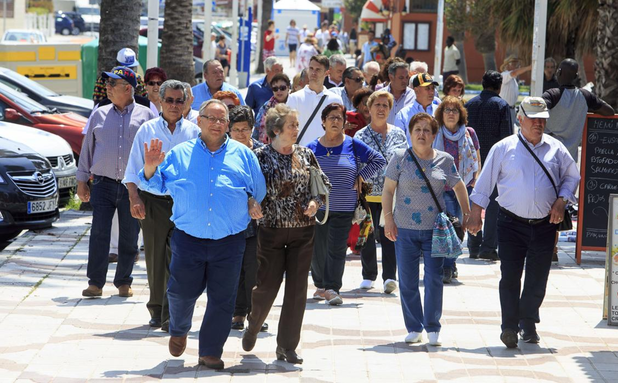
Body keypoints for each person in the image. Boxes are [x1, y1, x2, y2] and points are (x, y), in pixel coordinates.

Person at [139, 99, 266, 369]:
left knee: (223, 299)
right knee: (179, 293)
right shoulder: (180, 153)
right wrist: (150, 166)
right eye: (212, 118)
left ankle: (210, 351)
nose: (218, 123)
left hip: (230, 241)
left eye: (223, 120)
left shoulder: (244, 155)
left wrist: (252, 202)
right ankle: (179, 328)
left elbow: (258, 190)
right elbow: (155, 183)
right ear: (199, 121)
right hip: (188, 238)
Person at [467, 97, 580, 348]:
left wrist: (562, 201)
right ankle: (508, 327)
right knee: (510, 276)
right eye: (533, 118)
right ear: (520, 118)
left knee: (538, 278)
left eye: (542, 120)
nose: (539, 124)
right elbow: (485, 183)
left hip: (544, 225)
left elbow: (572, 177)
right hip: (510, 223)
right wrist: (476, 213)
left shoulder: (556, 148)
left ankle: (527, 321)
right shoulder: (503, 148)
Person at [242, 103, 331, 365]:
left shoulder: (306, 154)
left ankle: (287, 347)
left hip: (303, 231)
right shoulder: (259, 156)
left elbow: (321, 184)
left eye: (296, 124)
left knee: (296, 291)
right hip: (271, 230)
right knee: (267, 286)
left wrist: (315, 202)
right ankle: (254, 325)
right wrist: (251, 203)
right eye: (291, 125)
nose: (296, 129)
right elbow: (246, 188)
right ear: (276, 129)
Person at [382, 113, 470, 346]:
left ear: (434, 135)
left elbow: (459, 186)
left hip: (435, 230)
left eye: (426, 131)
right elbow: (388, 190)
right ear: (410, 134)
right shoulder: (399, 157)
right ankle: (414, 327)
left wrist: (468, 214)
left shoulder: (445, 160)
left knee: (433, 278)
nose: (421, 134)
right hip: (404, 229)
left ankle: (432, 327)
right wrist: (388, 219)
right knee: (408, 281)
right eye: (417, 130)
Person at [123, 80, 200, 331]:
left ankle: (172, 313)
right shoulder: (147, 130)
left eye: (180, 100)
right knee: (156, 258)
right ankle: (157, 309)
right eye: (170, 100)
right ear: (160, 101)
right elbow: (133, 170)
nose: (175, 105)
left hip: (184, 203)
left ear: (187, 102)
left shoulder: (195, 132)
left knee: (180, 258)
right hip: (153, 203)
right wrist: (134, 199)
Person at [77, 67, 157, 298]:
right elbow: (87, 150)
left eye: (113, 84)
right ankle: (95, 283)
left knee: (130, 235)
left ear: (128, 88)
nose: (108, 88)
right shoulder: (99, 114)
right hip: (102, 183)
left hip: (133, 187)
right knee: (99, 233)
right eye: (108, 84)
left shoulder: (147, 115)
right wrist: (82, 180)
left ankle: (123, 281)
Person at [307, 103, 385, 305]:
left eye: (339, 118)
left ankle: (333, 288)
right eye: (331, 117)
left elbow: (378, 160)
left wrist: (361, 176)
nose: (335, 121)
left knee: (336, 248)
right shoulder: (312, 148)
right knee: (318, 248)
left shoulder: (352, 144)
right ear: (323, 122)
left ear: (344, 122)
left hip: (344, 206)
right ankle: (320, 286)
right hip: (319, 208)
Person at [354, 90, 408, 292]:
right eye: (377, 105)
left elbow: (404, 162)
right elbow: (357, 165)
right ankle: (368, 275)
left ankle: (389, 277)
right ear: (369, 108)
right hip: (367, 194)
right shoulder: (360, 135)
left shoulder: (398, 133)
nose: (381, 109)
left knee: (389, 235)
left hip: (392, 194)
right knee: (367, 235)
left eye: (385, 105)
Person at [227, 106, 269, 333]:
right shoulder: (223, 152)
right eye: (236, 129)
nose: (241, 134)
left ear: (252, 129)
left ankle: (256, 314)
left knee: (256, 268)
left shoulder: (263, 152)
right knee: (235, 268)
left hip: (259, 221)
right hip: (231, 220)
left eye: (245, 129)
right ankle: (237, 312)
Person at [465, 70, 513, 261]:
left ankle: (473, 244)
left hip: (472, 162)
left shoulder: (469, 104)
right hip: (494, 162)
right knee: (493, 204)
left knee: (473, 201)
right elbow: (507, 137)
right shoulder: (502, 105)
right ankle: (488, 246)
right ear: (500, 86)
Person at [433, 96, 481, 283]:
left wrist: (476, 179)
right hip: (440, 188)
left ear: (460, 113)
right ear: (441, 113)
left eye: (455, 110)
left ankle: (450, 264)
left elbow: (476, 158)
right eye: (447, 110)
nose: (451, 113)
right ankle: (446, 266)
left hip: (463, 188)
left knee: (458, 228)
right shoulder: (435, 132)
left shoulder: (469, 132)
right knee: (445, 228)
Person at [543, 58, 615, 162]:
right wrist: (584, 107)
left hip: (548, 156)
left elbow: (538, 110)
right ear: (576, 76)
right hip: (570, 160)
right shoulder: (586, 96)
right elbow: (609, 111)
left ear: (559, 72)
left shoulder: (552, 95)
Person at [286, 55, 342, 146]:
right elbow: (287, 127)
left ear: (327, 73)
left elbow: (339, 130)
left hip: (326, 154)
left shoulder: (335, 99)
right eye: (311, 68)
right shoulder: (294, 98)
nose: (313, 73)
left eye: (318, 70)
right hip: (301, 153)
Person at [395, 73, 441, 145]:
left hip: (437, 156)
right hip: (411, 156)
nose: (432, 92)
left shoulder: (441, 112)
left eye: (433, 88)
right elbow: (398, 143)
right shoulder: (403, 115)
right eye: (427, 88)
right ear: (416, 90)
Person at [253, 73, 291, 143]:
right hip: (270, 148)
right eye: (275, 89)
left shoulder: (295, 103)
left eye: (282, 88)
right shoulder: (266, 107)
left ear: (288, 87)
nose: (279, 91)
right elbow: (257, 130)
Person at [499, 56, 531, 122]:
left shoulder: (513, 80)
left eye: (518, 64)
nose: (517, 66)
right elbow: (514, 73)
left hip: (511, 110)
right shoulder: (504, 75)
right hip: (504, 110)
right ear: (507, 65)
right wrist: (529, 68)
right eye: (513, 64)